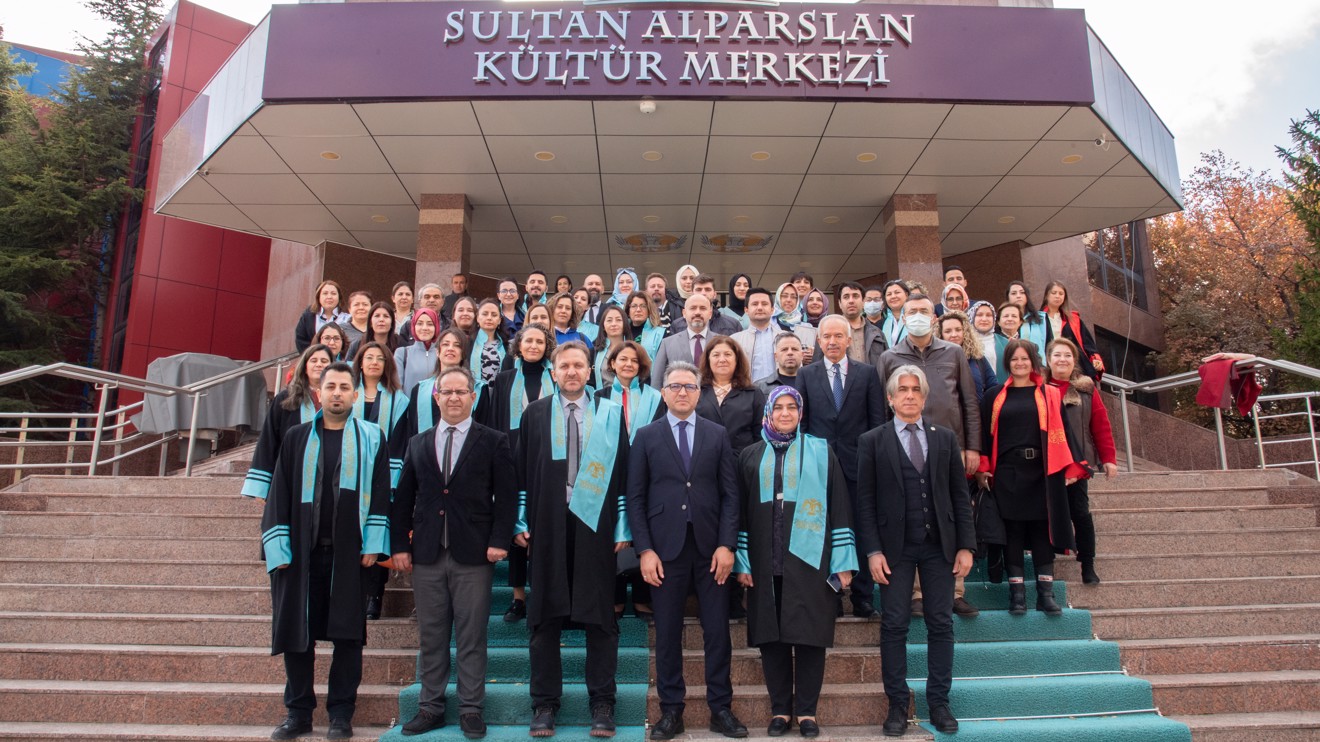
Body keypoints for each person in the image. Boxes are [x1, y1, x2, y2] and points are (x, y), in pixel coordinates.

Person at [261, 362, 390, 741]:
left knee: (349, 637)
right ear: (318, 392)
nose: (336, 392)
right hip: (299, 553)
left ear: (354, 394)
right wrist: (279, 545)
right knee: (297, 635)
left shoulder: (372, 437)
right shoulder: (298, 437)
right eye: (329, 386)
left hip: (351, 554)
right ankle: (298, 713)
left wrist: (375, 543)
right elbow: (279, 494)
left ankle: (340, 715)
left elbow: (382, 492)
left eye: (344, 387)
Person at [391, 367, 516, 738]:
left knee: (471, 635)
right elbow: (403, 500)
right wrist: (399, 544)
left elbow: (507, 496)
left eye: (461, 392)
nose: (454, 398)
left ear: (473, 397)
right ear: (436, 396)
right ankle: (430, 708)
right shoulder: (418, 442)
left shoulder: (493, 441)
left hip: (474, 553)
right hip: (427, 553)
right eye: (447, 392)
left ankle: (471, 709)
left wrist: (499, 540)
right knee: (432, 635)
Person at [514, 342, 631, 738]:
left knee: (600, 616)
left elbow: (625, 476)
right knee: (544, 614)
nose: (571, 372)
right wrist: (519, 520)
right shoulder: (535, 413)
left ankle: (602, 703)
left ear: (590, 370)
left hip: (596, 523)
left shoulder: (611, 414)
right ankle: (545, 704)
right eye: (564, 365)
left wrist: (623, 527)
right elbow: (522, 472)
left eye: (578, 365)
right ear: (553, 369)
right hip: (547, 523)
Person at [627, 362, 747, 741]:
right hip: (664, 552)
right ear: (663, 392)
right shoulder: (646, 436)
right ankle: (671, 711)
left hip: (712, 550)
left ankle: (720, 709)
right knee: (666, 632)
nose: (682, 392)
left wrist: (728, 545)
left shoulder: (717, 434)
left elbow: (731, 495)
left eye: (690, 387)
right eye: (675, 386)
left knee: (717, 632)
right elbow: (635, 497)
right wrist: (644, 550)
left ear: (699, 392)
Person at [856, 366, 975, 738]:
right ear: (890, 399)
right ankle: (896, 704)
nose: (909, 395)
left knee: (941, 623)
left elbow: (960, 495)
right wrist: (872, 551)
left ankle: (938, 702)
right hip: (895, 550)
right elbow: (865, 502)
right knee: (894, 625)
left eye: (915, 390)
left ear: (924, 398)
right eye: (901, 390)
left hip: (939, 546)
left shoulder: (944, 439)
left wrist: (966, 546)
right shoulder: (872, 441)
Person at [733, 386, 856, 739]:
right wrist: (742, 560)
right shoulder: (751, 455)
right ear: (767, 414)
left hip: (811, 558)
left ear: (801, 413)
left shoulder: (821, 451)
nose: (785, 414)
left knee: (810, 636)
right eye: (779, 408)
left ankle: (806, 712)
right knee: (771, 637)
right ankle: (780, 710)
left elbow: (839, 505)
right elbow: (740, 513)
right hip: (763, 556)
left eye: (792, 408)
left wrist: (843, 560)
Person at [877, 294, 983, 618]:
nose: (919, 316)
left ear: (934, 318)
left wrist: (973, 447)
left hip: (949, 448)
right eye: (912, 312)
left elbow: (969, 402)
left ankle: (956, 591)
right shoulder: (890, 357)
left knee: (950, 514)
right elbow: (883, 408)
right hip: (906, 448)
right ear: (902, 317)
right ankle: (917, 594)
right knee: (914, 515)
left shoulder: (953, 353)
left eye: (924, 311)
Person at [976, 340, 1087, 618]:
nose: (1020, 363)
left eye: (1025, 359)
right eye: (1015, 359)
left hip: (1042, 470)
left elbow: (1065, 431)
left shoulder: (1049, 393)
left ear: (1034, 362)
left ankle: (1045, 595)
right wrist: (982, 467)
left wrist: (1071, 468)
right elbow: (983, 436)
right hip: (1008, 473)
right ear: (1007, 363)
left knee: (1041, 531)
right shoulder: (994, 395)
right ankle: (1017, 596)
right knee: (1012, 531)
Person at [797, 315, 887, 618]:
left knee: (859, 531)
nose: (832, 341)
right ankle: (830, 596)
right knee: (824, 532)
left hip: (859, 465)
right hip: (819, 467)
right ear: (819, 341)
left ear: (849, 340)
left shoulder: (868, 374)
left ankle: (862, 597)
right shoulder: (806, 375)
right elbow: (803, 423)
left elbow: (877, 423)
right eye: (827, 336)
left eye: (839, 336)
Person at [485, 322, 556, 623]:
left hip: (550, 459)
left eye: (540, 342)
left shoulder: (556, 376)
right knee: (516, 524)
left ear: (546, 346)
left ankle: (548, 594)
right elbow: (492, 421)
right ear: (519, 345)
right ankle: (518, 598)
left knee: (547, 524)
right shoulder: (503, 380)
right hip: (511, 459)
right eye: (529, 341)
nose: (534, 346)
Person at [595, 341, 666, 623]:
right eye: (622, 360)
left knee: (643, 527)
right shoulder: (598, 396)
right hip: (607, 472)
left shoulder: (655, 397)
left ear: (642, 367)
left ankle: (641, 596)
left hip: (645, 469)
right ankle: (612, 596)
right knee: (609, 529)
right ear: (612, 363)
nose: (628, 365)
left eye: (634, 361)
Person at [1045, 338, 1118, 585]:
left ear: (1074, 360)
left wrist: (1108, 459)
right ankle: (1046, 565)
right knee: (1047, 513)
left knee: (1080, 513)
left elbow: (1100, 425)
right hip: (1048, 463)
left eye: (1067, 355)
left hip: (1078, 463)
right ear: (1048, 359)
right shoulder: (1039, 388)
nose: (1062, 360)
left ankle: (1087, 563)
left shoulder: (1086, 390)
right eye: (1057, 355)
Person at [351, 341, 407, 621]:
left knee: (377, 532)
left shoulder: (398, 399)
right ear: (359, 362)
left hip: (383, 477)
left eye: (379, 359)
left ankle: (375, 596)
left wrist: (392, 478)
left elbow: (399, 441)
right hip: (349, 474)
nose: (374, 362)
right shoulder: (348, 394)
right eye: (368, 357)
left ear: (387, 365)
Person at [242, 345, 331, 500]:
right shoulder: (286, 399)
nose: (319, 364)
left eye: (324, 361)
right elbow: (269, 441)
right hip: (289, 475)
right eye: (314, 360)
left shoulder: (340, 399)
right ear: (305, 367)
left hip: (329, 477)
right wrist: (262, 487)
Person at [697, 338, 767, 458]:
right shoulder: (696, 391)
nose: (722, 359)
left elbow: (761, 435)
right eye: (716, 355)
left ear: (737, 359)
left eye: (728, 354)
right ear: (708, 360)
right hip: (704, 463)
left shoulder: (753, 393)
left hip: (742, 464)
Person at [1041, 280, 1105, 382]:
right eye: (1054, 293)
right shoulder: (1037, 319)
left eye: (1061, 294)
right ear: (1046, 296)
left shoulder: (1074, 319)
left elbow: (1088, 343)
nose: (1057, 296)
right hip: (1048, 366)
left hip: (1074, 366)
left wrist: (1096, 359)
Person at [651, 293, 715, 388]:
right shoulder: (667, 344)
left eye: (703, 308)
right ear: (684, 313)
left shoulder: (721, 342)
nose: (697, 312)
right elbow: (657, 381)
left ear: (710, 314)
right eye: (693, 308)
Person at [938, 310, 997, 404]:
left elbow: (993, 387)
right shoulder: (935, 359)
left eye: (958, 330)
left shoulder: (978, 358)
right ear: (941, 335)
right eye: (948, 331)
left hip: (976, 415)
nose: (954, 335)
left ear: (965, 332)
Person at [731, 288, 779, 382]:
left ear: (772, 309)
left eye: (764, 304)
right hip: (747, 393)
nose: (760, 308)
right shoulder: (734, 341)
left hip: (779, 393)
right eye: (755, 304)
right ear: (746, 310)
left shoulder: (785, 338)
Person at [835, 281, 886, 367]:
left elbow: (885, 365)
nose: (851, 301)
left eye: (855, 296)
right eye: (846, 297)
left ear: (863, 302)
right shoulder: (829, 333)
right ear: (840, 303)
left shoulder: (877, 333)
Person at [672, 275, 741, 337]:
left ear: (715, 294)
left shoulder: (733, 324)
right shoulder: (677, 325)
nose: (703, 293)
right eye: (699, 289)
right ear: (692, 294)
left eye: (708, 289)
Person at [295, 280, 349, 352]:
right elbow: (301, 339)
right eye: (325, 293)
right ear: (318, 297)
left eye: (333, 293)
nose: (329, 297)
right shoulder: (308, 316)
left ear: (339, 297)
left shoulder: (348, 317)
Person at [395, 308, 440, 394]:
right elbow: (397, 388)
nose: (424, 328)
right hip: (409, 406)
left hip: (435, 406)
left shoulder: (442, 354)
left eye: (430, 324)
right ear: (413, 326)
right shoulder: (402, 353)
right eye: (419, 323)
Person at [771, 283, 817, 362]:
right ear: (778, 298)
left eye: (793, 297)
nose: (789, 300)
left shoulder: (807, 327)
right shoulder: (768, 325)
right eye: (785, 296)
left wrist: (811, 355)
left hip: (801, 372)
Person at [471, 299, 507, 386]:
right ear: (477, 318)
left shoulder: (506, 345)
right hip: (474, 394)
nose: (489, 318)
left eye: (494, 315)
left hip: (499, 394)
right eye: (485, 314)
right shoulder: (468, 343)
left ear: (499, 320)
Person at [592, 304, 629, 389]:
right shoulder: (594, 352)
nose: (614, 324)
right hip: (603, 398)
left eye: (618, 320)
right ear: (603, 326)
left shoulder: (634, 350)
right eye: (609, 320)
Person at [1006, 281, 1048, 350]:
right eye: (1014, 293)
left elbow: (1049, 344)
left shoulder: (1041, 317)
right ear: (1008, 297)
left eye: (1022, 292)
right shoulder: (1004, 320)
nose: (1018, 296)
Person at [625, 290, 666, 361]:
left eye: (643, 306)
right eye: (634, 306)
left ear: (649, 310)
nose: (638, 310)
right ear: (628, 310)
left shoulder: (660, 334)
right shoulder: (622, 333)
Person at [993, 302, 1026, 380]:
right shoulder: (992, 343)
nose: (1010, 319)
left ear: (1020, 321)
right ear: (998, 322)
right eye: (1006, 316)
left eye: (1014, 316)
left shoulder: (1030, 345)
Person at [969, 301, 1000, 376]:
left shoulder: (1004, 343)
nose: (984, 319)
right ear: (972, 317)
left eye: (989, 315)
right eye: (979, 315)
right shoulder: (966, 342)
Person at [878, 280, 909, 349]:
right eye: (889, 294)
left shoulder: (915, 319)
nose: (893, 296)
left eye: (897, 292)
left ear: (906, 295)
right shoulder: (879, 325)